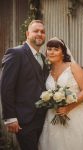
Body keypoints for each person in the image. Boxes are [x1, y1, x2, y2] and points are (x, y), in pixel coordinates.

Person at [38, 37, 83, 150]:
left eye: (56, 49)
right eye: (49, 49)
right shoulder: (48, 71)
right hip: (53, 116)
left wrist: (68, 107)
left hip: (75, 113)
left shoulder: (73, 67)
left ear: (63, 53)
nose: (52, 52)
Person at [0, 20, 49, 150]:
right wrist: (10, 117)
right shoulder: (16, 53)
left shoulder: (44, 59)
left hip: (43, 118)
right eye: (36, 31)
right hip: (24, 119)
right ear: (27, 34)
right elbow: (6, 87)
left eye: (42, 32)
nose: (40, 34)